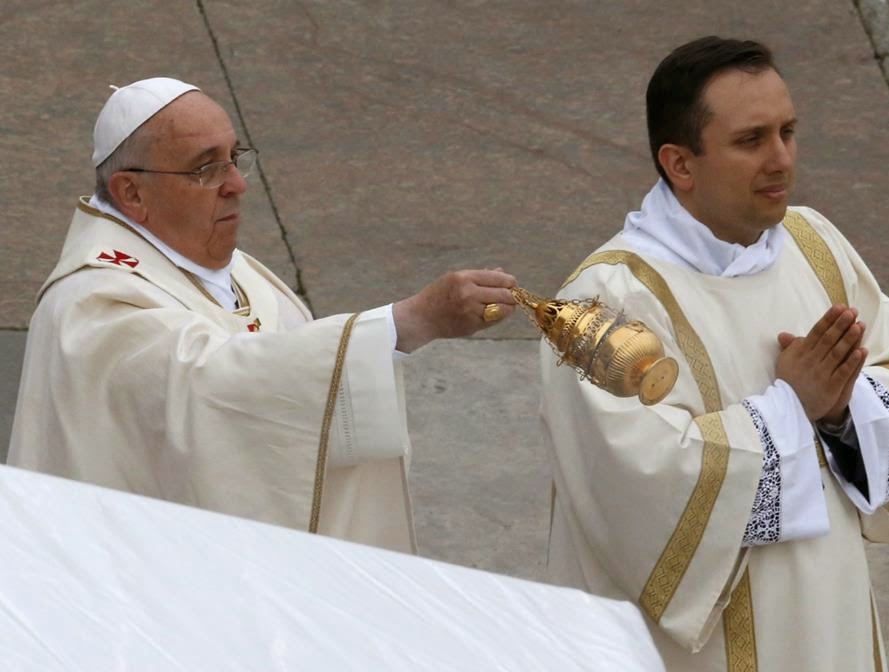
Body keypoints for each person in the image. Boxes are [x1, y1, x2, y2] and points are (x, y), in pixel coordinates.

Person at [540, 37, 889, 671]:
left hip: (827, 617)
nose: (781, 159)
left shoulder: (814, 244)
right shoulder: (605, 302)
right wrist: (791, 406)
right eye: (751, 140)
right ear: (680, 164)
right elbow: (633, 487)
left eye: (788, 132)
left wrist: (841, 411)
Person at [8, 77, 517, 554]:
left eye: (234, 158)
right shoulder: (92, 303)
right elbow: (205, 386)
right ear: (131, 193)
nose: (236, 184)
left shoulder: (230, 268)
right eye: (206, 169)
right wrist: (407, 323)